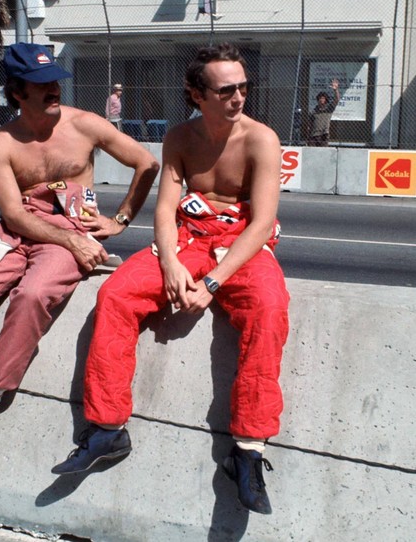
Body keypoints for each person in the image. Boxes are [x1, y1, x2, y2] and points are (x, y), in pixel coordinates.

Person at [0, 42, 159, 474]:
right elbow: (14, 213)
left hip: (73, 226)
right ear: (17, 92)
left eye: (54, 80)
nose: (53, 88)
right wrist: (72, 244)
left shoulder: (85, 125)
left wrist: (119, 221)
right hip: (18, 230)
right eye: (41, 84)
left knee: (34, 294)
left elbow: (146, 164)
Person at [53, 44, 290, 516]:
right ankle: (107, 429)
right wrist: (170, 265)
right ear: (198, 95)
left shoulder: (262, 139)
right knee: (116, 293)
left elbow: (263, 223)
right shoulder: (180, 137)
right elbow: (165, 207)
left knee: (269, 307)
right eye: (226, 90)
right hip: (187, 237)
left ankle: (247, 451)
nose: (239, 96)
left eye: (243, 86)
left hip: (242, 242)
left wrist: (213, 284)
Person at [308, 78, 340, 146]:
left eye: (323, 98)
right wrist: (308, 136)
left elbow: (336, 100)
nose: (321, 100)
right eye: (320, 98)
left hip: (324, 135)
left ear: (326, 100)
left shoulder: (329, 109)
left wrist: (336, 90)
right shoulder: (314, 111)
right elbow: (310, 125)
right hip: (314, 135)